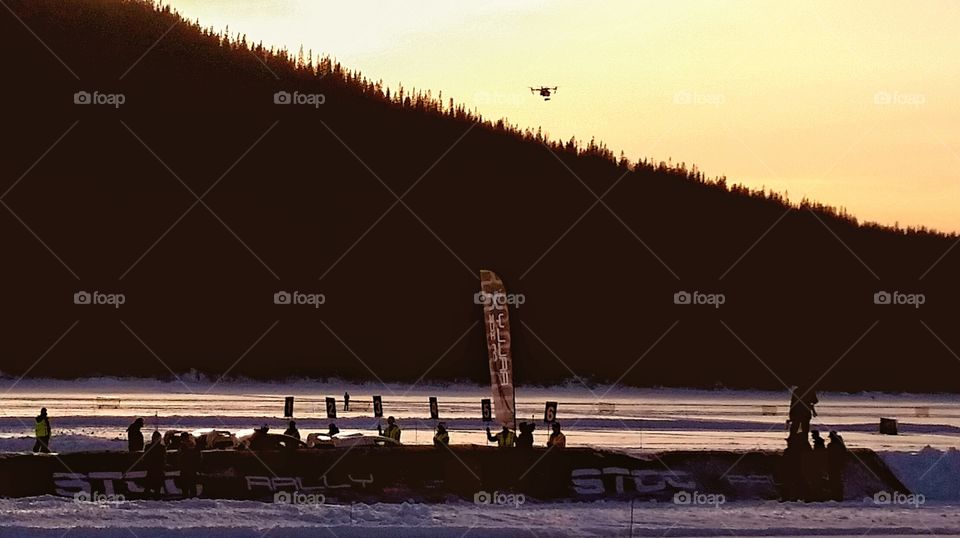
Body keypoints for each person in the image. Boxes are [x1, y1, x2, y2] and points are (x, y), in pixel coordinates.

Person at [177, 432, 200, 498]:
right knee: (192, 485)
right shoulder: (194, 445)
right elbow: (198, 457)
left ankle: (185, 498)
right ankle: (193, 498)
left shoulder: (182, 447)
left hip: (184, 468)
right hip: (192, 469)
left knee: (185, 486)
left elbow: (180, 457)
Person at [144, 431, 166, 499]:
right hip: (152, 467)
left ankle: (156, 496)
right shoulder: (149, 447)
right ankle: (147, 496)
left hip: (157, 467)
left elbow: (163, 458)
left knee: (157, 484)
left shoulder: (161, 447)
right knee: (150, 482)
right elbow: (146, 457)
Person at [827, 431, 847, 501]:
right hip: (837, 465)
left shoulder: (831, 446)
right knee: (837, 480)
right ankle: (838, 495)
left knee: (834, 481)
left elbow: (829, 456)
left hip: (833, 466)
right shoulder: (840, 445)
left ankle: (835, 496)